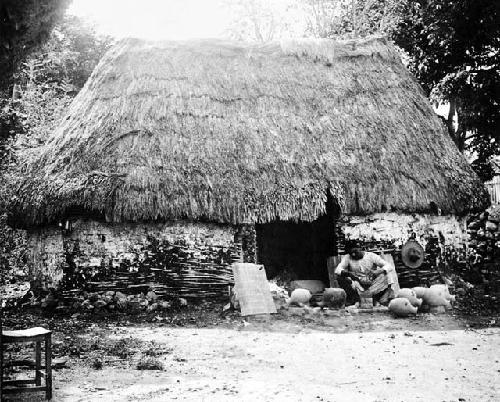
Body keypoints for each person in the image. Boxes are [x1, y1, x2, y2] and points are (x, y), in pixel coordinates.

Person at [334, 240, 397, 306]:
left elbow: (389, 266)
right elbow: (337, 270)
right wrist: (349, 273)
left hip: (372, 283)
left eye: (355, 252)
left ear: (360, 248)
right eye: (351, 253)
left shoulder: (371, 256)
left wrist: (378, 271)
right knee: (340, 277)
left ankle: (375, 299)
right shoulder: (348, 257)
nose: (353, 255)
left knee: (387, 274)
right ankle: (356, 299)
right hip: (358, 284)